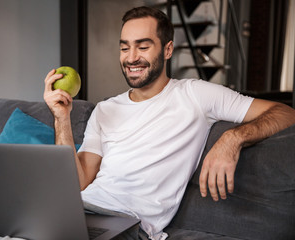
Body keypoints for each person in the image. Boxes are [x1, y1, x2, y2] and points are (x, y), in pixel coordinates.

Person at [43, 6, 295, 240]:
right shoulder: (104, 109)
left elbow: (285, 112)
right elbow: (79, 183)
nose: (131, 58)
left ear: (167, 49)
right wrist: (61, 118)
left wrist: (232, 139)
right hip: (78, 212)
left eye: (143, 47)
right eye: (124, 47)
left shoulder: (196, 94)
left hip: (129, 225)